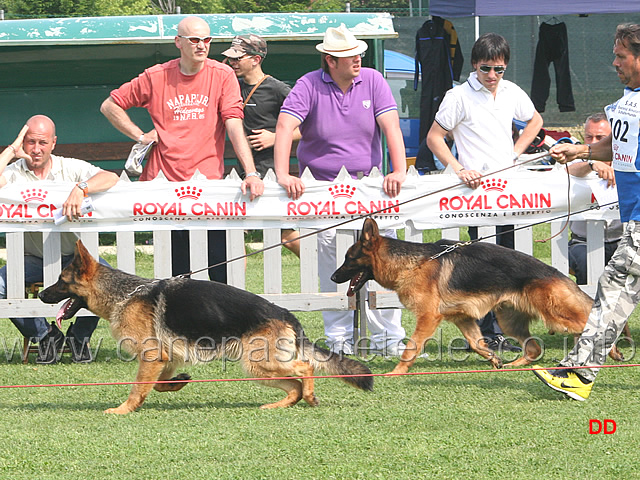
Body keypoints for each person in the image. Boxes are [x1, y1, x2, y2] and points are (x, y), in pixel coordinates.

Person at [274, 24, 407, 356]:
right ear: (330, 60)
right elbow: (284, 126)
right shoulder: (308, 84)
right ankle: (338, 341)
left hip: (370, 184)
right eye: (349, 56)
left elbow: (391, 125)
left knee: (383, 263)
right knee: (332, 268)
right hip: (322, 189)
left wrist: (399, 169)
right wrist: (282, 173)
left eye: (358, 53)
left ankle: (388, 340)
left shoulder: (374, 80)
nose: (357, 59)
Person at [100, 16, 264, 282]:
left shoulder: (222, 75)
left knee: (221, 275)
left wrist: (251, 172)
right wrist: (140, 136)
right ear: (178, 42)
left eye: (207, 40)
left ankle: (221, 325)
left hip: (208, 186)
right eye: (195, 40)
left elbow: (234, 123)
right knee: (177, 278)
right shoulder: (156, 76)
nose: (202, 45)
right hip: (165, 187)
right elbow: (110, 105)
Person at [533, 23, 640, 401]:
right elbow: (619, 146)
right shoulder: (632, 98)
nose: (614, 63)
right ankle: (579, 374)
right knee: (615, 295)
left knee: (613, 291)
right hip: (634, 218)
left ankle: (579, 373)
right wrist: (579, 151)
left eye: (621, 55)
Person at [426, 32, 543, 352]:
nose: (492, 76)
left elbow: (535, 120)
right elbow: (435, 138)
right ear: (474, 66)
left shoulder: (511, 91)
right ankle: (488, 332)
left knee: (513, 262)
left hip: (509, 189)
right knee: (483, 266)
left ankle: (510, 330)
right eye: (485, 69)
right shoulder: (458, 96)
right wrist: (458, 168)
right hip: (476, 194)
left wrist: (516, 153)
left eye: (499, 69)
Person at [0, 115, 119, 363]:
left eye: (42, 142)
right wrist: (11, 150)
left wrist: (81, 188)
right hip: (30, 259)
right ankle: (45, 336)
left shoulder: (70, 167)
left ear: (54, 143)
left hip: (72, 259)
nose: (35, 149)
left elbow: (111, 177)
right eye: (30, 142)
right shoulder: (12, 172)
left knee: (106, 279)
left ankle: (79, 338)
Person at [222, 34, 300, 257]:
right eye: (230, 59)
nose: (232, 63)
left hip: (272, 172)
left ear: (256, 59)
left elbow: (310, 125)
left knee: (286, 236)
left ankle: (327, 271)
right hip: (241, 172)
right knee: (233, 235)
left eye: (238, 58)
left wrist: (276, 137)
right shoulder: (230, 86)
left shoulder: (277, 89)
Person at [567, 113, 622, 285]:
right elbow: (567, 171)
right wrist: (592, 163)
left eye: (600, 137)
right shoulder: (576, 160)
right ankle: (589, 309)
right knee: (586, 262)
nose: (593, 142)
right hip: (582, 242)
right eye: (589, 137)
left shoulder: (626, 162)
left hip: (621, 240)